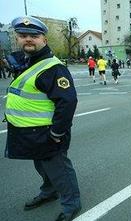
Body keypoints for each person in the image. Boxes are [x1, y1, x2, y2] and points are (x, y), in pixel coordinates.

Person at [5, 16, 81, 221]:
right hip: (31, 132)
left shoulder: (53, 67)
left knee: (59, 170)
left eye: (34, 36)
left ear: (44, 40)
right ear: (17, 39)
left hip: (48, 133)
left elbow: (68, 102)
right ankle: (49, 192)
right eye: (23, 35)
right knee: (42, 166)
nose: (28, 39)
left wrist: (57, 133)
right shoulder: (29, 63)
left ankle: (71, 204)